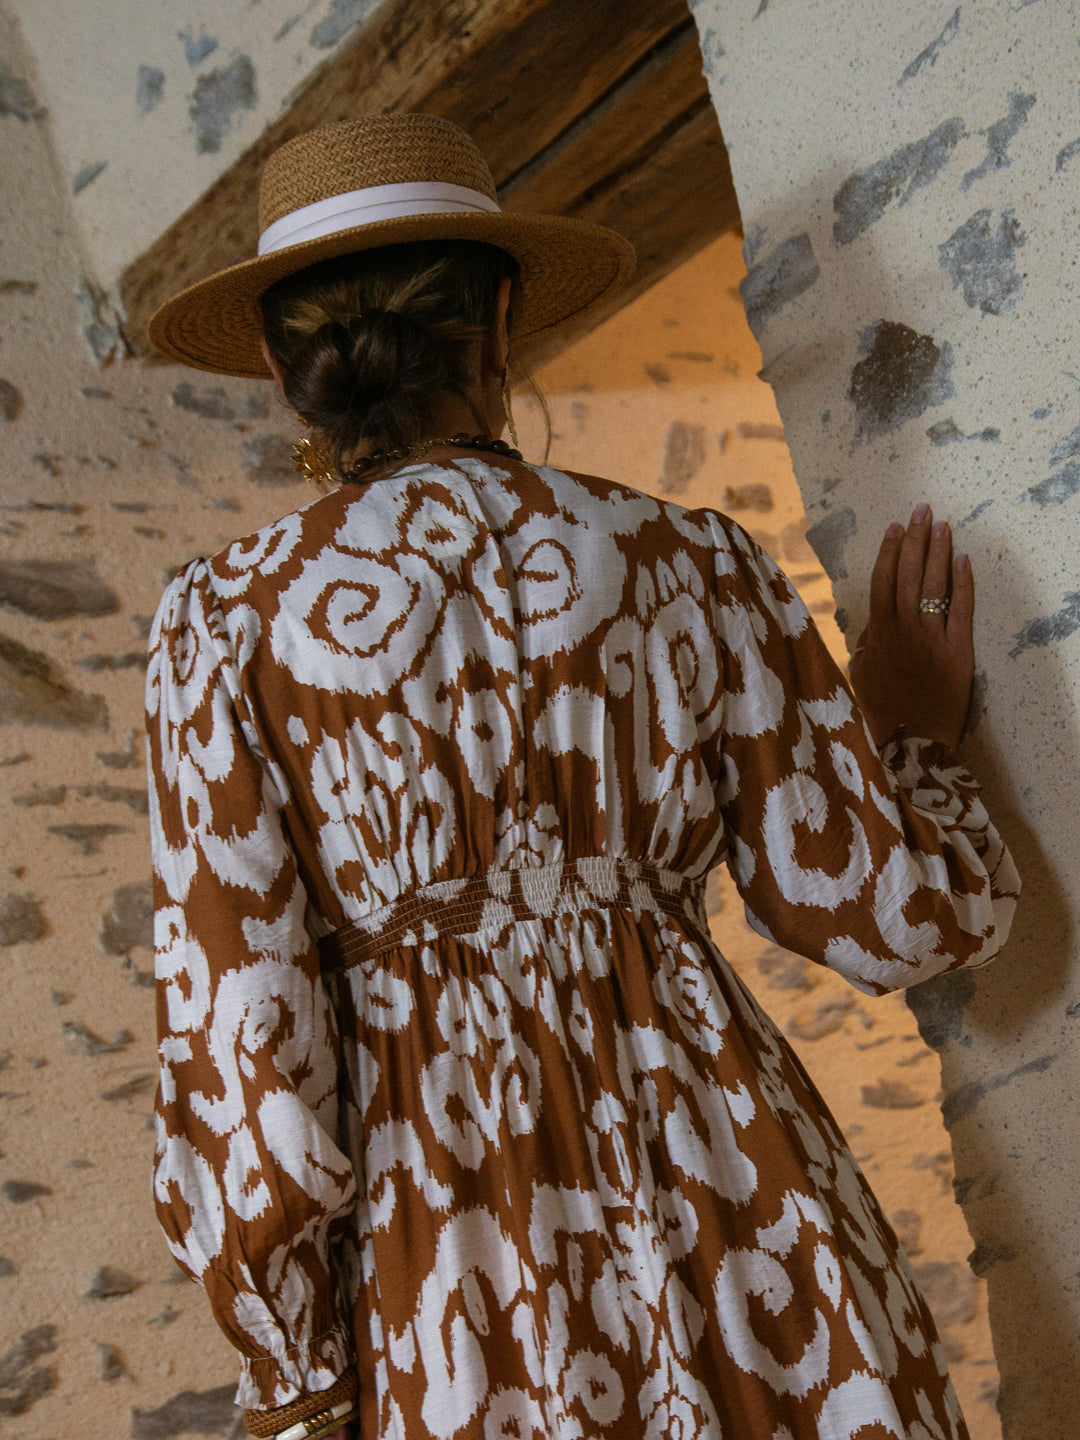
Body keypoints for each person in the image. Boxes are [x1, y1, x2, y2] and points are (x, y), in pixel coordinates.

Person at [145, 113, 1019, 1440]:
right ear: (499, 327)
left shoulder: (221, 624)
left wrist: (298, 1376)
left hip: (446, 1263)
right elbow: (897, 916)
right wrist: (908, 737)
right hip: (742, 1202)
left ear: (281, 366)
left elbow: (242, 1039)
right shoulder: (693, 562)